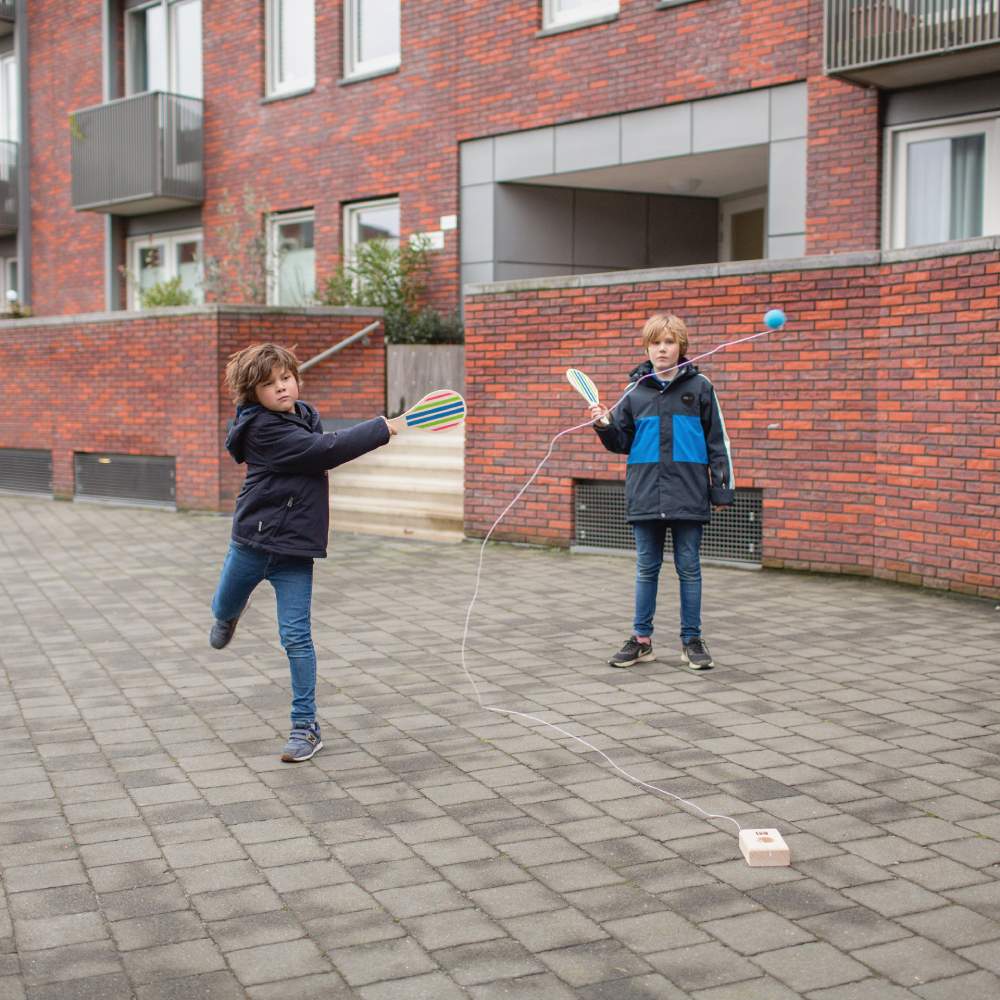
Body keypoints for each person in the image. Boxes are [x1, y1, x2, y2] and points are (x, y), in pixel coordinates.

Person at [209, 343, 395, 762]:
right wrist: (386, 426)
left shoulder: (306, 417)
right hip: (252, 544)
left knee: (296, 636)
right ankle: (226, 615)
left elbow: (320, 445)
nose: (280, 388)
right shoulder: (260, 429)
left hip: (294, 552)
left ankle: (305, 726)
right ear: (250, 393)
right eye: (268, 384)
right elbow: (324, 451)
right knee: (223, 605)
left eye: (285, 378)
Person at [588, 313, 733, 670]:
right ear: (647, 347)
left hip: (688, 492)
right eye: (656, 342)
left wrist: (722, 489)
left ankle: (692, 641)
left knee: (689, 568)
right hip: (645, 493)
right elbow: (621, 442)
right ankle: (641, 641)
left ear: (681, 347)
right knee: (646, 569)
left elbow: (719, 442)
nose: (662, 348)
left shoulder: (700, 388)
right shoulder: (634, 392)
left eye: (669, 342)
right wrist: (603, 425)